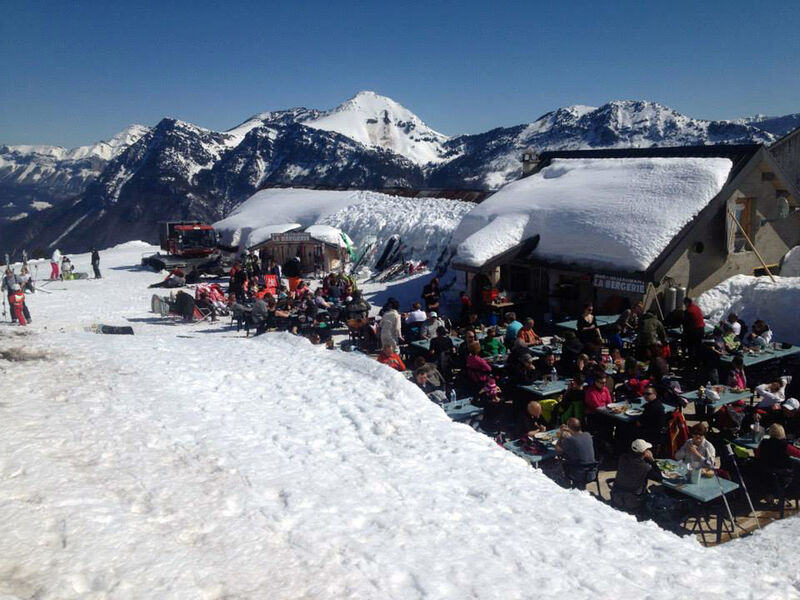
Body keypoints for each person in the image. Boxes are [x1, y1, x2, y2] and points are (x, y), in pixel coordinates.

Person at [611, 439, 663, 513]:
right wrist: (652, 460)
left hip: (617, 496)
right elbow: (659, 478)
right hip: (633, 501)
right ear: (644, 452)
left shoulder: (623, 458)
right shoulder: (644, 467)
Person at [557, 418, 597, 490]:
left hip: (579, 474)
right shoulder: (588, 435)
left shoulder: (569, 440)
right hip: (592, 471)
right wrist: (568, 430)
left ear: (569, 428)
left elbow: (558, 449)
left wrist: (561, 435)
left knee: (559, 463)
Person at [682, 297, 705, 363]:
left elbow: (686, 323)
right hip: (701, 329)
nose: (684, 305)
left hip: (694, 331)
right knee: (698, 346)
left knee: (691, 346)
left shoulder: (688, 311)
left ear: (687, 303)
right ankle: (698, 361)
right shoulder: (697, 307)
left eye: (684, 303)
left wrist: (684, 332)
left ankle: (691, 362)